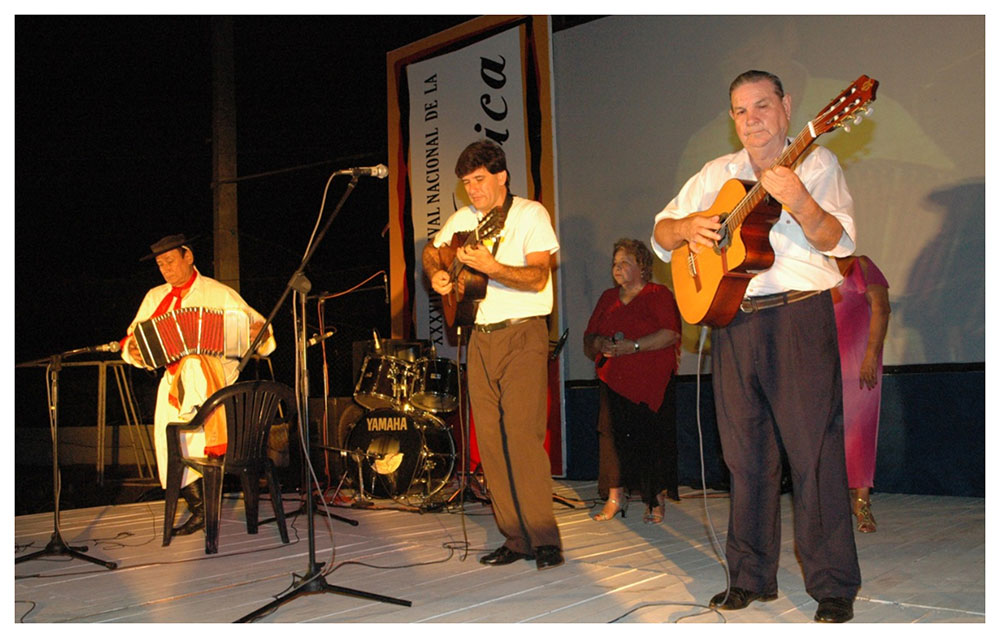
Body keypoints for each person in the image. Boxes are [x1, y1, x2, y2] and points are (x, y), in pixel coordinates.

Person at [651, 70, 861, 623]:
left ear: (787, 107)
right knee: (744, 458)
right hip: (733, 321)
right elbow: (661, 234)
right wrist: (688, 227)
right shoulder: (715, 173)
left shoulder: (816, 163)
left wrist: (801, 201)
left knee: (814, 454)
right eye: (741, 111)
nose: (752, 119)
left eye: (762, 106)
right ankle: (750, 576)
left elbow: (838, 242)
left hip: (798, 317)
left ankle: (833, 585)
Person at [421, 140, 563, 570]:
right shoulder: (463, 220)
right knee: (491, 442)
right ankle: (515, 538)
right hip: (479, 338)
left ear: (502, 176)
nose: (473, 190)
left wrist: (493, 267)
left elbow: (538, 276)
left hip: (522, 334)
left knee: (521, 436)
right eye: (467, 183)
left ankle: (544, 539)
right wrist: (438, 273)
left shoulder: (530, 214)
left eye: (479, 180)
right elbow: (431, 251)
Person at [121, 234, 275, 537]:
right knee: (170, 448)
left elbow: (262, 336)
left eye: (170, 261)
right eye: (160, 264)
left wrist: (261, 334)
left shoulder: (220, 294)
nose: (165, 269)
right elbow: (133, 339)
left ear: (188, 256)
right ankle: (200, 508)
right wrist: (132, 351)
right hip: (173, 386)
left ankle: (205, 502)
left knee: (195, 367)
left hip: (218, 387)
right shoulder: (154, 297)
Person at [583, 238, 681, 524]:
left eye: (625, 262)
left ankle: (655, 500)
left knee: (651, 439)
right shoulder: (607, 298)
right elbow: (589, 338)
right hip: (613, 380)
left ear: (643, 267)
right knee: (611, 438)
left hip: (651, 383)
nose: (618, 268)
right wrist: (600, 343)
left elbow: (671, 333)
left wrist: (634, 346)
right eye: (615, 263)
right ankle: (615, 498)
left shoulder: (658, 294)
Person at [833, 255, 890, 533]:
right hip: (823, 362)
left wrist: (871, 355)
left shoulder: (862, 266)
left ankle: (862, 503)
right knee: (828, 433)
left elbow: (881, 309)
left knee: (859, 430)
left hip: (859, 361)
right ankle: (834, 500)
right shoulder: (813, 266)